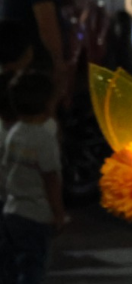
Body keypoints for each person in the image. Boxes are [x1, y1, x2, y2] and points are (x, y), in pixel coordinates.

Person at [0, 70, 65, 284]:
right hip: (36, 216)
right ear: (47, 103)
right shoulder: (45, 139)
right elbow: (51, 179)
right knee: (32, 268)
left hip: (12, 212)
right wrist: (58, 213)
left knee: (10, 267)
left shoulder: (14, 133)